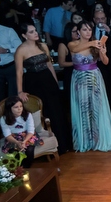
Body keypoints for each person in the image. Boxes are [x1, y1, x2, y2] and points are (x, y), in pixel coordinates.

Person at [14, 22, 71, 154]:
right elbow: (19, 72)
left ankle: (64, 144)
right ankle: (47, 147)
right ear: (24, 35)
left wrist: (56, 84)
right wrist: (20, 91)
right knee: (43, 112)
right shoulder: (20, 50)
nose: (35, 33)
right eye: (31, 32)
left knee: (57, 111)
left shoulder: (43, 46)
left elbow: (50, 66)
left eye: (35, 31)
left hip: (48, 81)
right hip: (33, 83)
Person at [68, 21, 111, 152]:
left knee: (97, 108)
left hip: (94, 77)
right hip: (79, 79)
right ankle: (84, 142)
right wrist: (93, 43)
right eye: (84, 29)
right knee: (82, 108)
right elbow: (74, 50)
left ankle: (99, 140)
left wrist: (102, 51)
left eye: (90, 30)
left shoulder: (96, 44)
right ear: (78, 31)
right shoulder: (73, 44)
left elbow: (106, 62)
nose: (88, 32)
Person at [0, 97, 41, 168]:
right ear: (9, 108)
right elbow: (7, 135)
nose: (19, 109)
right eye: (16, 107)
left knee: (29, 149)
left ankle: (26, 168)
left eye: (21, 106)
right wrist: (17, 142)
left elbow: (31, 131)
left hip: (27, 135)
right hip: (13, 137)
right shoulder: (4, 119)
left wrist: (24, 142)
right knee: (13, 151)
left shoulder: (27, 115)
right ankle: (18, 169)